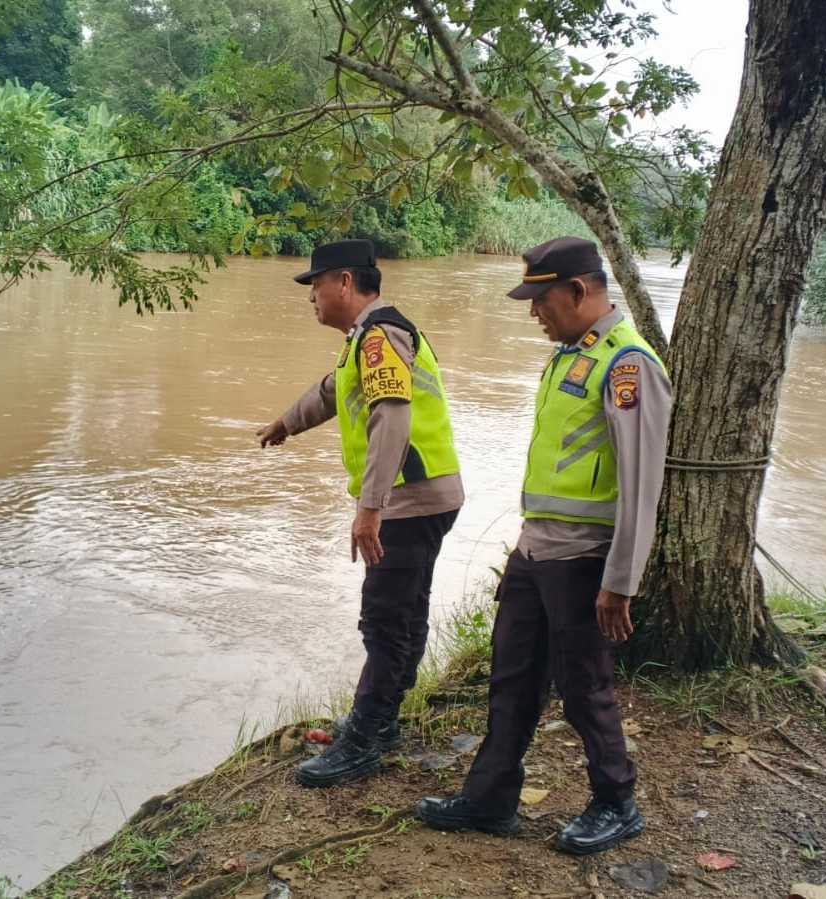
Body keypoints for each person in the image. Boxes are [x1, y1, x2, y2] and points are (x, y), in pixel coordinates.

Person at [414, 236, 672, 855]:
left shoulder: (628, 365)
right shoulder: (568, 357)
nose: (533, 312)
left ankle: (616, 802)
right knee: (512, 676)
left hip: (584, 560)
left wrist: (620, 582)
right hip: (536, 552)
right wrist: (523, 548)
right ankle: (490, 797)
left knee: (584, 687)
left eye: (540, 299)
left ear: (578, 291)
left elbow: (642, 486)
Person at [256, 239, 464, 788]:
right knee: (405, 612)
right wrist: (286, 423)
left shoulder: (380, 337)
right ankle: (383, 721)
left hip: (408, 500)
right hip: (424, 495)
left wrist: (371, 508)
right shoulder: (365, 339)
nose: (312, 297)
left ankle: (364, 740)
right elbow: (333, 392)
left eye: (316, 285)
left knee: (385, 620)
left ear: (345, 282)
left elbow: (391, 416)